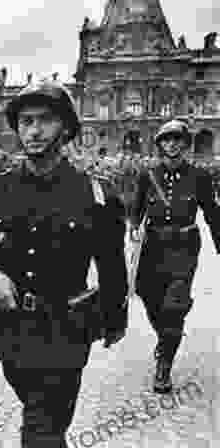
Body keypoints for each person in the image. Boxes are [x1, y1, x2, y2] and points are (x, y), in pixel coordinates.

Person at [0, 80, 128, 447]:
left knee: (40, 429)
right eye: (26, 121)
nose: (34, 130)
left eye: (45, 120)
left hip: (66, 332)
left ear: (66, 128)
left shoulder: (95, 193)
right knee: (48, 424)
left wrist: (114, 318)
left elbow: (111, 264)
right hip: (11, 334)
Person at [130, 118, 220, 393]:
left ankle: (164, 364)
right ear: (160, 145)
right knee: (148, 295)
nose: (171, 145)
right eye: (166, 140)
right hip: (152, 248)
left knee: (175, 305)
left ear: (185, 144)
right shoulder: (148, 175)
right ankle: (167, 336)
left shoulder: (200, 177)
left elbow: (213, 214)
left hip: (184, 248)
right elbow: (136, 209)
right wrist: (133, 228)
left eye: (176, 139)